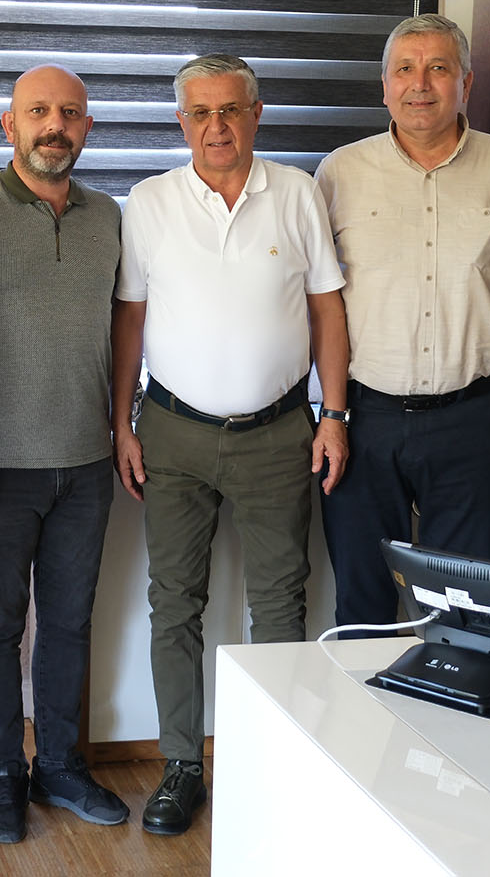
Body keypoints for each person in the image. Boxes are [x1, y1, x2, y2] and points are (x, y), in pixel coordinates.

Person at [111, 53, 349, 837]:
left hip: (278, 433)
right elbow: (130, 320)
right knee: (174, 602)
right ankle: (182, 765)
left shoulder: (298, 193)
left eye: (231, 110)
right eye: (201, 113)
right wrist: (121, 423)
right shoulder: (150, 202)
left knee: (280, 600)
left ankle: (267, 757)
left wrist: (334, 412)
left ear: (256, 114)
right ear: (182, 122)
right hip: (172, 432)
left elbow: (327, 310)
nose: (217, 127)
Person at [0, 65, 128, 845]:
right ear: (8, 124)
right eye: (40, 111)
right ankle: (3, 776)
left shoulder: (109, 216)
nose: (56, 125)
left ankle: (58, 765)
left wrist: (121, 426)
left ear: (87, 127)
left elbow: (128, 327)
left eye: (71, 113)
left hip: (86, 462)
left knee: (70, 622)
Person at [314, 13, 490, 633]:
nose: (420, 84)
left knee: (463, 610)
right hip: (364, 419)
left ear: (465, 83)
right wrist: (331, 414)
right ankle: (364, 702)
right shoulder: (338, 173)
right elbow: (318, 301)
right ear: (384, 85)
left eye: (438, 68)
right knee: (362, 604)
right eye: (405, 70)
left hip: (471, 418)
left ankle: (452, 699)